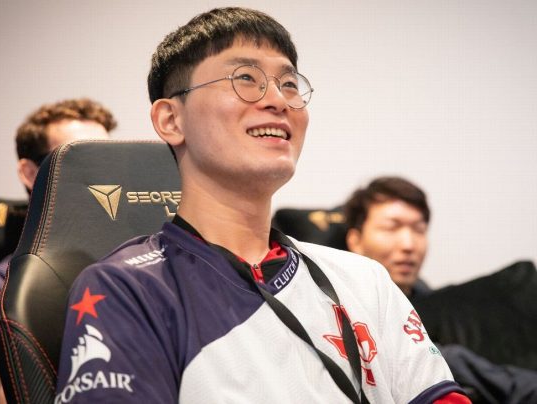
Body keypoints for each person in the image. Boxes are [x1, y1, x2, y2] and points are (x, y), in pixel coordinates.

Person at [55, 8, 469, 403]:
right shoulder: (129, 289)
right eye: (245, 78)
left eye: (289, 84)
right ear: (171, 120)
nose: (278, 100)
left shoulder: (365, 280)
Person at [344, 176, 537, 403]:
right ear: (356, 241)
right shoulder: (341, 307)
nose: (408, 244)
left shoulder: (440, 305)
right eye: (391, 228)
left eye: (419, 229)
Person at [0, 98, 116, 404]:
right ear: (30, 173)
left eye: (106, 159)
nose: (100, 175)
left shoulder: (146, 262)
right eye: (78, 159)